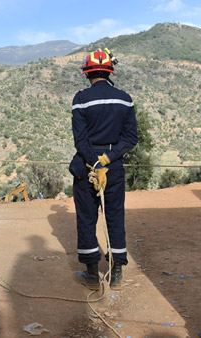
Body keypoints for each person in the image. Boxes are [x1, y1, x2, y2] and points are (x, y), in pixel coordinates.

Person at [69, 48, 138, 291]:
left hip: (86, 167)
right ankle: (116, 272)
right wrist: (107, 159)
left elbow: (80, 140)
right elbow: (131, 138)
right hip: (114, 166)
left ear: (87, 73)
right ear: (110, 72)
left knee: (87, 219)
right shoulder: (125, 98)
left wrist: (94, 162)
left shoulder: (80, 99)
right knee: (115, 216)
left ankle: (90, 275)